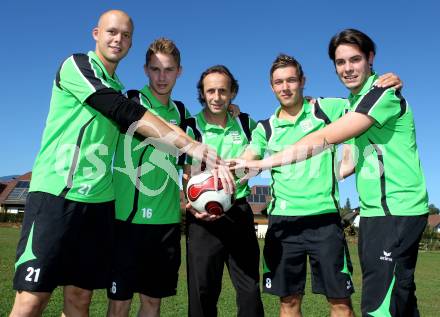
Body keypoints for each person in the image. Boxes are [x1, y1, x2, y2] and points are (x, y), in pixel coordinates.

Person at [10, 11, 233, 317]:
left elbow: (180, 153)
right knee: (32, 299)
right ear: (95, 33)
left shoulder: (119, 85)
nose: (118, 39)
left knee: (79, 298)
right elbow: (122, 110)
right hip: (57, 196)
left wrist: (223, 115)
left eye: (125, 35)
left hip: (99, 204)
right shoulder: (78, 67)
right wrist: (192, 144)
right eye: (112, 32)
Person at [230, 29, 428, 317]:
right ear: (271, 87)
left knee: (378, 306)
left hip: (389, 210)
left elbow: (324, 139)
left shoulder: (353, 102)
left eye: (355, 59)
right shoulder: (271, 125)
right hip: (360, 214)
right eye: (340, 62)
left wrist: (265, 164)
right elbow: (362, 152)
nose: (347, 68)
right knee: (400, 296)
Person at [239, 54, 355, 317]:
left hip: (324, 219)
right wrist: (243, 164)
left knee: (340, 303)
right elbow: (251, 156)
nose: (285, 87)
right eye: (278, 82)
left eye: (291, 80)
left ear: (303, 81)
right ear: (271, 86)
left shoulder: (328, 110)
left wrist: (385, 82)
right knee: (288, 302)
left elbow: (364, 106)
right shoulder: (265, 128)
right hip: (283, 224)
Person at [183, 65, 264, 317]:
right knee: (203, 290)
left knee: (249, 287)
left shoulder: (246, 123)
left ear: (232, 93)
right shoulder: (190, 126)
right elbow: (187, 173)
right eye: (210, 91)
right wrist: (194, 205)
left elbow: (256, 166)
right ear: (202, 93)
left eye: (222, 91)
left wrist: (235, 173)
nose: (216, 97)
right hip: (201, 218)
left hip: (239, 211)